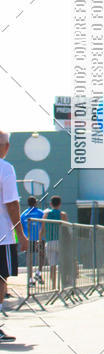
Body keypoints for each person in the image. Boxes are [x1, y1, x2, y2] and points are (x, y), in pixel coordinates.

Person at [0, 131, 28, 341]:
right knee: (1, 278)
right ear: (6, 146)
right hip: (2, 235)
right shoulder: (5, 168)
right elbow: (11, 203)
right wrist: (21, 234)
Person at [41, 196, 68, 291]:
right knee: (62, 264)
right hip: (60, 241)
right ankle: (63, 284)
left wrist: (40, 240)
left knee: (52, 265)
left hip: (49, 241)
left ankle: (53, 285)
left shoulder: (46, 214)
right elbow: (66, 229)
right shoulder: (62, 214)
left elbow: (42, 229)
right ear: (60, 204)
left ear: (51, 204)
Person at [21, 196, 45, 286]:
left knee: (29, 259)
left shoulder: (24, 214)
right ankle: (38, 272)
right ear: (35, 203)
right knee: (41, 256)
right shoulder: (40, 213)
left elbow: (21, 227)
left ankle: (30, 279)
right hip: (39, 238)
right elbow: (44, 224)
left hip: (29, 239)